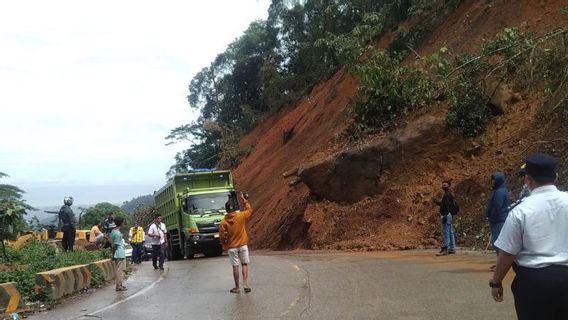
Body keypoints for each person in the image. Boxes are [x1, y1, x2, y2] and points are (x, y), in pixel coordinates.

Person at [491, 153, 568, 319]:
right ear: (556, 176)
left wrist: (496, 282)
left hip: (534, 283)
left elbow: (508, 253)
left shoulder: (521, 210)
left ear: (528, 180)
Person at [219, 192, 253, 293]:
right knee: (244, 264)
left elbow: (221, 235)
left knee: (235, 266)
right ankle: (246, 284)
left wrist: (224, 244)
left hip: (232, 247)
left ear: (226, 210)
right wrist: (244, 199)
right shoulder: (241, 216)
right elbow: (249, 210)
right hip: (243, 245)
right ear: (234, 208)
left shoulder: (223, 222)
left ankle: (237, 287)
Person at [485, 172, 511, 271]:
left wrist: (491, 217)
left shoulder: (500, 192)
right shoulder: (499, 190)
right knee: (498, 242)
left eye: (494, 180)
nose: (492, 182)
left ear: (499, 180)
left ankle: (501, 265)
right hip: (498, 219)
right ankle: (500, 263)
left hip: (498, 220)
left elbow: (497, 207)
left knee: (498, 243)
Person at [433, 181, 457, 256]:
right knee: (450, 231)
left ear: (449, 186)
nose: (443, 186)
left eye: (445, 185)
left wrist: (444, 215)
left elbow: (446, 207)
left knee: (446, 232)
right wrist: (437, 202)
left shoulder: (447, 195)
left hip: (447, 215)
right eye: (443, 185)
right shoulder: (449, 194)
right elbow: (445, 204)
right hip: (449, 215)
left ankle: (445, 248)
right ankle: (452, 248)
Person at [111, 217, 127, 292]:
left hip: (118, 253)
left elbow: (112, 244)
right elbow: (115, 245)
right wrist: (113, 254)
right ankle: (118, 286)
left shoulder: (113, 231)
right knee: (120, 271)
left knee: (121, 270)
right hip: (119, 253)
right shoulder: (117, 233)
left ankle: (120, 284)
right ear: (121, 223)